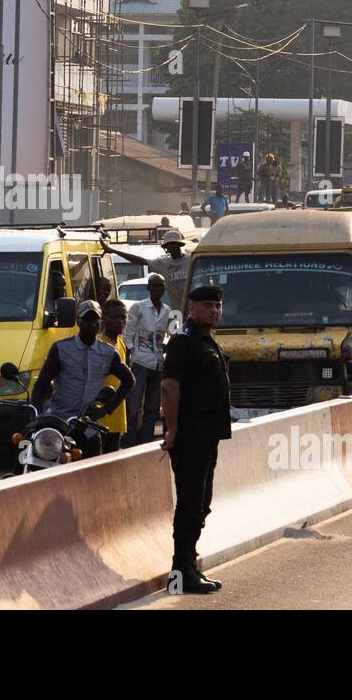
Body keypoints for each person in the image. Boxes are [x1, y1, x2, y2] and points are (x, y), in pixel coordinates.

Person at [161, 284, 231, 594]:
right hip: (190, 437)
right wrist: (173, 429)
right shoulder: (183, 342)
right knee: (190, 504)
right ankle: (181, 572)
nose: (213, 310)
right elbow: (169, 388)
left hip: (208, 436)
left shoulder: (208, 340)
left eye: (217, 306)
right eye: (207, 306)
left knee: (202, 504)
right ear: (192, 309)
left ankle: (188, 561)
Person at [29, 301, 133, 454]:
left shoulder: (108, 352)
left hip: (88, 427)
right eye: (86, 319)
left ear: (100, 322)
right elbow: (41, 385)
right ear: (78, 321)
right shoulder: (61, 348)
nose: (90, 323)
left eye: (95, 320)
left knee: (94, 472)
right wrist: (36, 416)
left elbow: (129, 380)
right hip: (59, 422)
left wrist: (105, 410)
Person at [123, 272, 174, 446]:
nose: (159, 289)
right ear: (149, 288)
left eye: (161, 285)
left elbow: (170, 334)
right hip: (140, 362)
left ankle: (146, 441)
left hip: (158, 363)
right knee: (133, 405)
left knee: (152, 407)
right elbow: (128, 333)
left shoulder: (168, 310)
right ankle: (129, 441)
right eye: (156, 285)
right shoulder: (139, 307)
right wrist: (131, 352)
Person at [102, 229, 191, 312]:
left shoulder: (190, 260)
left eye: (174, 244)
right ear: (166, 247)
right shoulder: (162, 263)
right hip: (178, 311)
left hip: (195, 308)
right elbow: (140, 260)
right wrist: (114, 251)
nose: (171, 247)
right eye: (169, 245)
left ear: (179, 245)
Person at [96, 299, 130, 453]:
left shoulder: (120, 343)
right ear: (104, 319)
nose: (120, 321)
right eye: (115, 317)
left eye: (123, 317)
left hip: (117, 417)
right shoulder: (97, 345)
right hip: (99, 419)